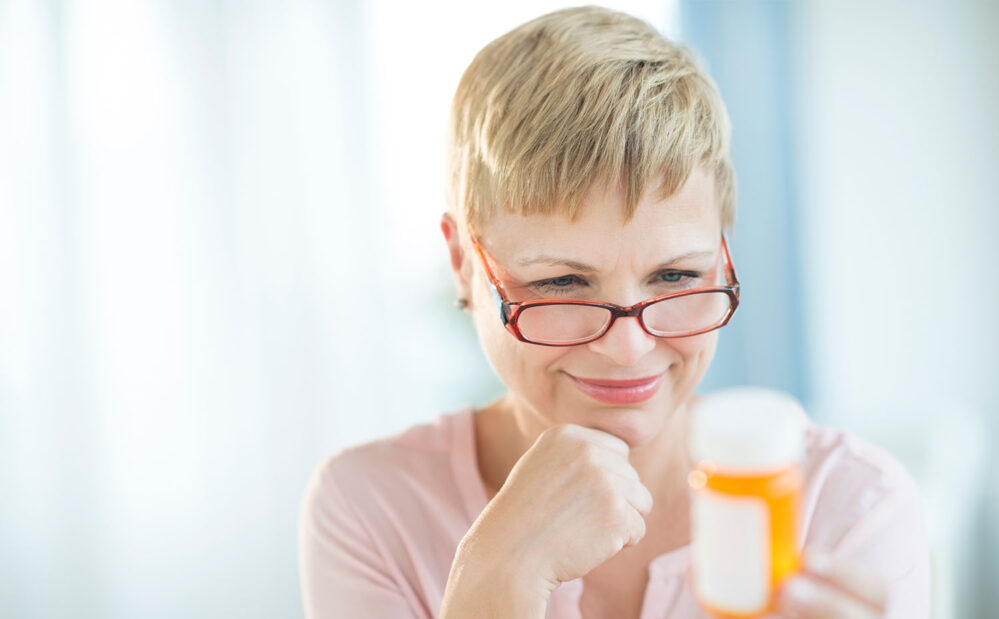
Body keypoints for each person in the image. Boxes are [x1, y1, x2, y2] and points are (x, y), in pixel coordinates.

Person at [298, 6, 929, 618]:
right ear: (463, 263)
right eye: (563, 282)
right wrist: (497, 575)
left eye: (677, 275)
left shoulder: (850, 505)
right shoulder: (370, 507)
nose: (629, 351)